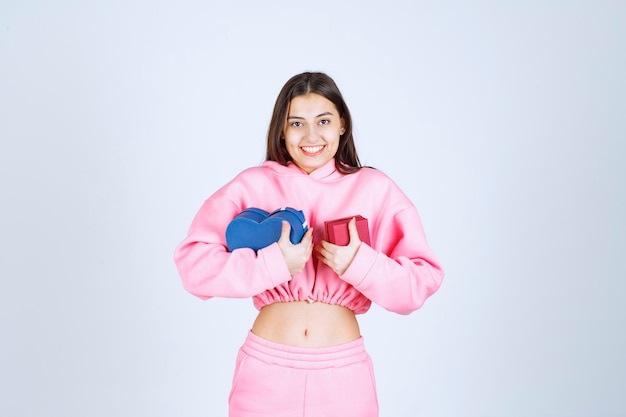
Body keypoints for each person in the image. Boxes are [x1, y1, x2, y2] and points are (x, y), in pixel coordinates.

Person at [174, 71, 444, 417]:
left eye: (324, 121)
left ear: (342, 125)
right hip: (266, 373)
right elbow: (192, 266)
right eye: (297, 123)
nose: (311, 136)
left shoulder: (376, 189)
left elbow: (420, 283)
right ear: (282, 130)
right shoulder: (251, 185)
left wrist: (360, 264)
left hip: (342, 376)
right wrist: (271, 265)